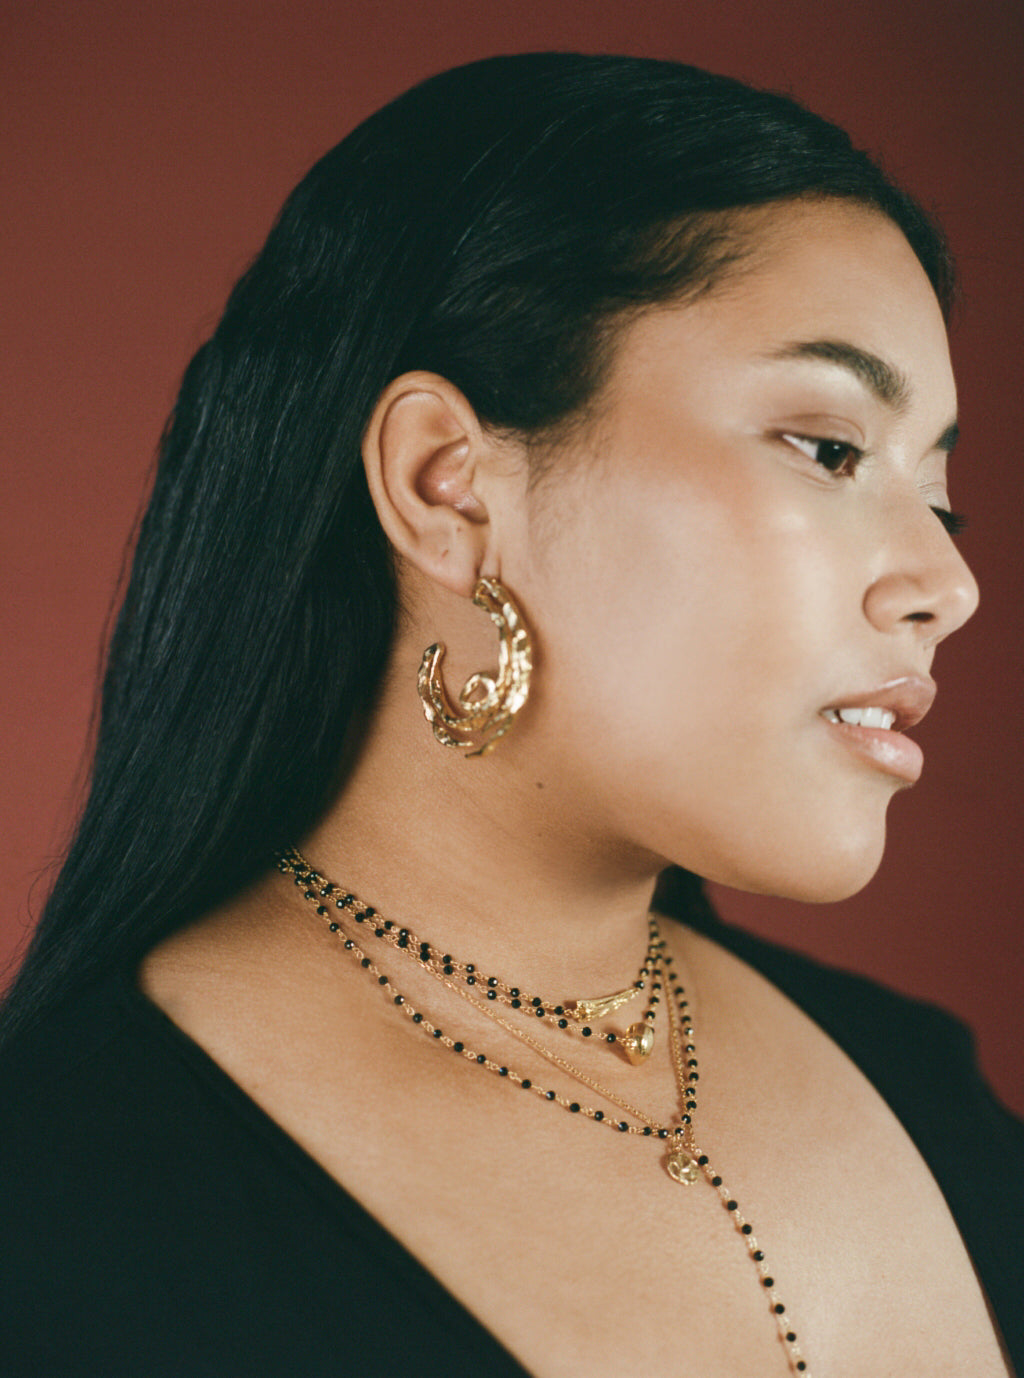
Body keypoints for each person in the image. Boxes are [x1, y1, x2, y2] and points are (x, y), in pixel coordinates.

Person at [1, 52, 1020, 1378]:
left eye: (939, 494)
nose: (949, 583)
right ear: (449, 488)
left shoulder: (923, 1086)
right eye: (830, 449)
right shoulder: (66, 1212)